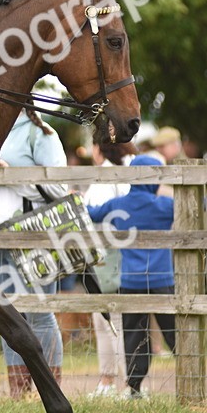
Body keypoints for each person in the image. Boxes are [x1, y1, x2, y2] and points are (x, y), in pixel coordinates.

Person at [0, 109, 67, 399]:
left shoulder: (40, 133)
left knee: (40, 313)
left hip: (32, 235)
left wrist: (12, 177)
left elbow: (59, 186)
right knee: (7, 314)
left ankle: (50, 392)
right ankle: (18, 392)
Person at [87, 155, 176, 398]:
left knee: (134, 334)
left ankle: (134, 387)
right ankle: (193, 376)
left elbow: (92, 213)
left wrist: (73, 200)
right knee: (174, 331)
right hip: (161, 280)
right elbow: (196, 206)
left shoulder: (119, 205)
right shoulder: (164, 205)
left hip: (131, 281)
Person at [81, 142, 134, 396]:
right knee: (112, 319)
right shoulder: (122, 172)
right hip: (116, 254)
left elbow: (97, 217)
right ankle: (120, 381)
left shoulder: (106, 175)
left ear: (97, 147)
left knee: (108, 319)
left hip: (107, 256)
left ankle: (110, 381)